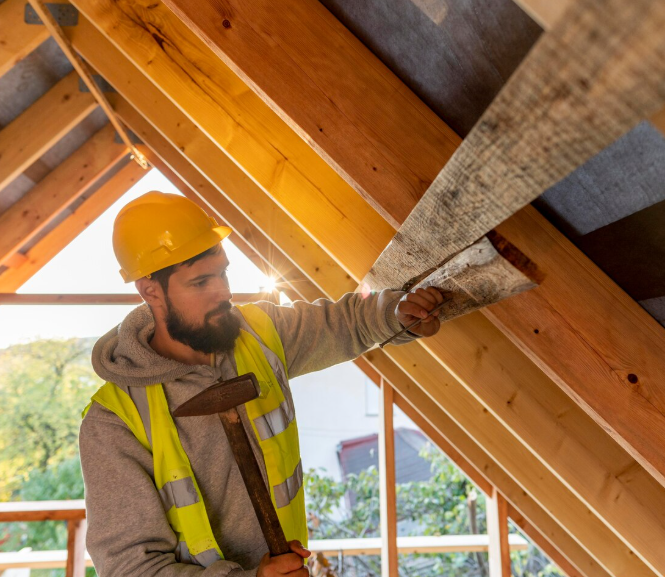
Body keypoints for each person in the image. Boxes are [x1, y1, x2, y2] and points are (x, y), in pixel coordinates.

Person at [80, 191, 445, 576]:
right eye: (201, 282)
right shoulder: (115, 421)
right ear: (150, 290)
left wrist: (396, 314)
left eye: (222, 273)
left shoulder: (258, 335)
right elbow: (130, 568)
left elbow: (343, 323)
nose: (223, 292)